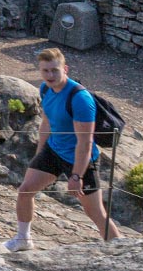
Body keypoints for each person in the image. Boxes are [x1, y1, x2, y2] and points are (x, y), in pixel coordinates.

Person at [8, 48, 120, 249]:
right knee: (25, 191)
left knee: (96, 213)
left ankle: (123, 253)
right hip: (54, 150)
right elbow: (47, 122)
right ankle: (23, 239)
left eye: (54, 70)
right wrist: (40, 153)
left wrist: (76, 176)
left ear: (65, 69)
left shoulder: (80, 99)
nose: (50, 75)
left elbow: (84, 143)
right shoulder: (45, 89)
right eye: (45, 71)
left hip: (81, 160)